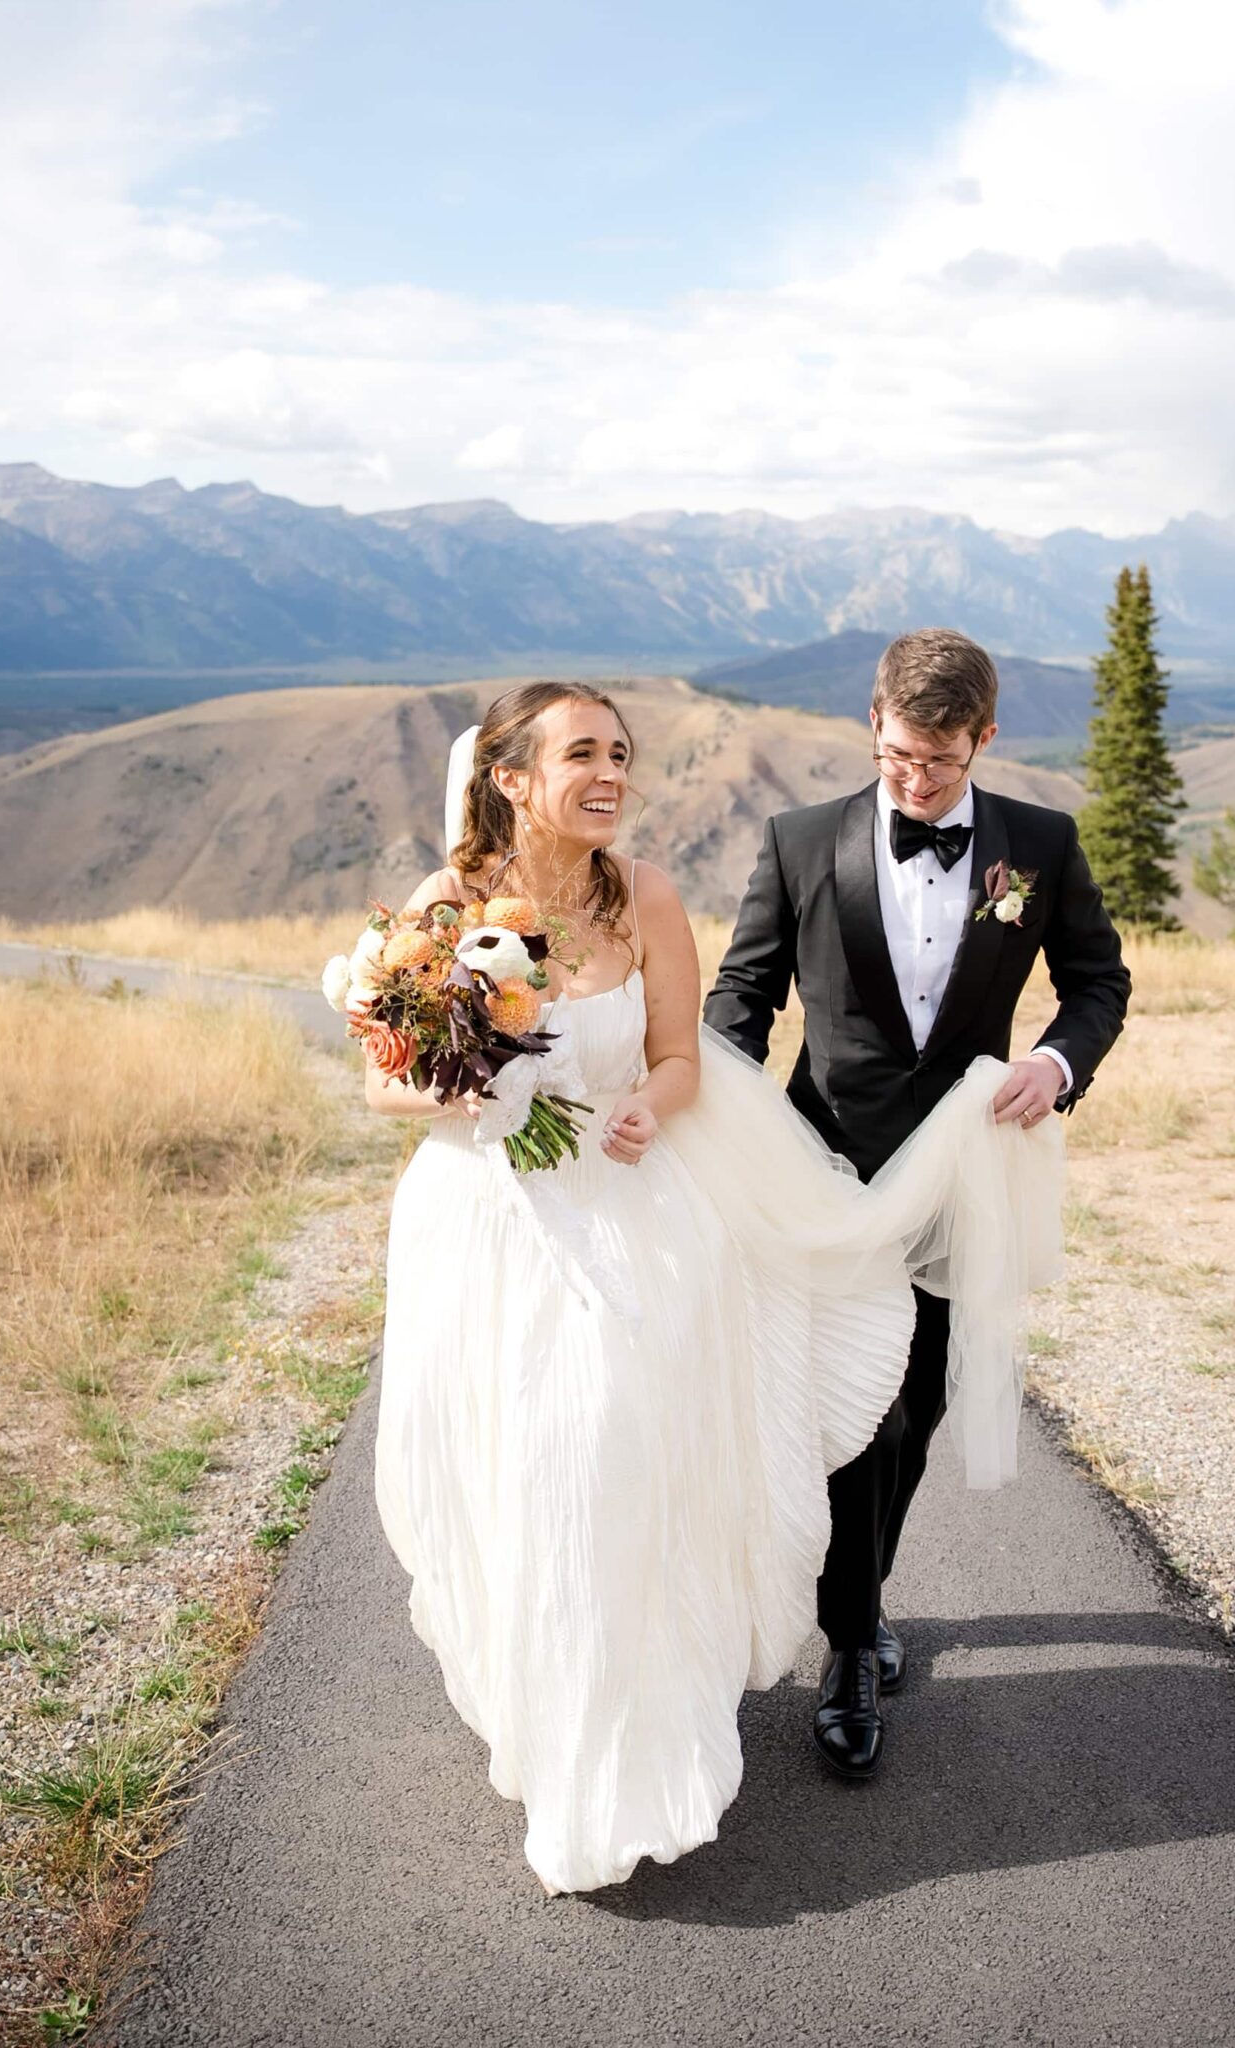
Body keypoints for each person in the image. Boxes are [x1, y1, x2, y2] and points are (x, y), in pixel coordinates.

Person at [371, 676, 1066, 1895]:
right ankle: (553, 1713)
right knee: (518, 1472)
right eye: (581, 752)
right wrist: (467, 1090)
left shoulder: (644, 898)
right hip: (493, 1228)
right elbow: (385, 1083)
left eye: (620, 752)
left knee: (615, 1455)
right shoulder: (445, 909)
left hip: (630, 1214)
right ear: (511, 775)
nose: (610, 772)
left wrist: (649, 1100)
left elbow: (686, 1053)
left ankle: (635, 1736)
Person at [704, 628, 1131, 1778]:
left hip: (962, 1182)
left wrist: (1056, 1064)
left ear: (984, 738)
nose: (916, 779)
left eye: (938, 762)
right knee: (854, 1413)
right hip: (821, 1174)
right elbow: (742, 997)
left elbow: (1100, 981)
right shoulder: (801, 843)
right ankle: (849, 1645)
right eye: (898, 757)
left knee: (923, 1407)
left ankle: (865, 1595)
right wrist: (707, 1123)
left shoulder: (1039, 844)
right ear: (875, 726)